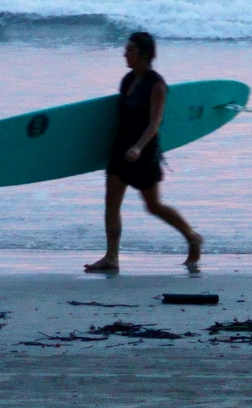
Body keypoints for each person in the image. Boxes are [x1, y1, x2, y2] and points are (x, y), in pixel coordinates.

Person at [83, 30, 204, 274]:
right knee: (111, 204)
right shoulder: (127, 80)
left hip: (144, 152)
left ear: (144, 54)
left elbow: (155, 122)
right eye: (125, 49)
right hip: (121, 149)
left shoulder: (156, 84)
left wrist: (138, 147)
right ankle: (111, 256)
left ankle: (192, 237)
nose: (125, 54)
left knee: (153, 205)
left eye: (130, 50)